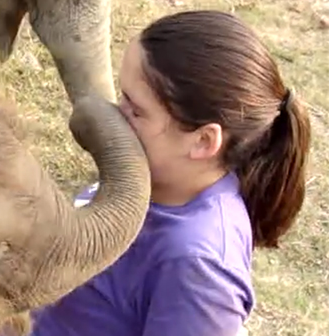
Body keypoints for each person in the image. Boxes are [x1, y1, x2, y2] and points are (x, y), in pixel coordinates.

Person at [28, 9, 310, 336]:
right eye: (122, 96)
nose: (117, 115)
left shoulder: (197, 265)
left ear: (203, 141)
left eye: (135, 109)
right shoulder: (156, 179)